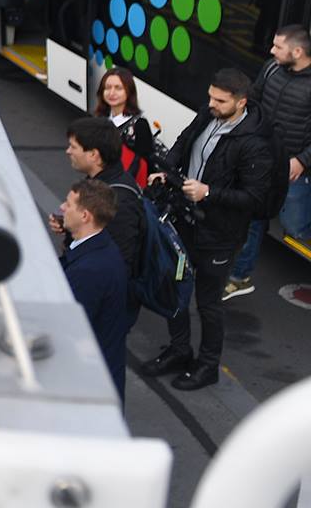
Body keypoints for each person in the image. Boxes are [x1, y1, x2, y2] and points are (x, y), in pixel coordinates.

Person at [142, 69, 274, 390]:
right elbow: (184, 141)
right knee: (174, 286)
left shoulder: (256, 144)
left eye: (220, 100)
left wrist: (208, 193)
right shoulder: (208, 113)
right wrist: (168, 171)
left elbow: (254, 198)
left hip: (219, 235)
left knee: (207, 303)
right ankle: (179, 350)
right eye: (210, 97)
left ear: (241, 102)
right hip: (185, 220)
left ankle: (207, 365)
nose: (212, 104)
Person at [227, 24, 311, 297]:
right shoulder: (272, 68)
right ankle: (240, 276)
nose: (271, 51)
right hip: (262, 162)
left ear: (297, 52)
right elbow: (254, 100)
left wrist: (302, 161)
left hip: (292, 169)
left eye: (278, 46)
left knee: (295, 226)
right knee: (254, 220)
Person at [55, 179, 131, 398]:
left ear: (85, 216)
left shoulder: (89, 271)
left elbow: (68, 330)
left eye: (69, 204)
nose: (62, 207)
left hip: (88, 385)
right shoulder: (100, 248)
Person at [55, 119, 143, 308]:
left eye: (74, 147)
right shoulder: (105, 181)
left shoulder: (120, 200)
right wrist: (69, 224)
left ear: (94, 155)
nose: (68, 151)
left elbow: (119, 262)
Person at [93, 67, 160, 189]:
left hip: (124, 187)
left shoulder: (139, 125)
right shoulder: (100, 118)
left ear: (129, 92)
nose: (112, 93)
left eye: (118, 88)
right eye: (107, 88)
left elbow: (145, 164)